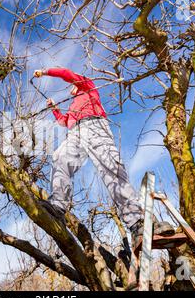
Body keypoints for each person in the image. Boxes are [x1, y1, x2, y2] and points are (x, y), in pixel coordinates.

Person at [33, 67, 174, 248]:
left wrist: (45, 72)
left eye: (73, 86)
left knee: (111, 169)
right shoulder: (73, 105)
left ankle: (137, 223)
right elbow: (64, 122)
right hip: (75, 132)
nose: (71, 89)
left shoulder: (87, 86)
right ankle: (58, 206)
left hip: (94, 126)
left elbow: (67, 73)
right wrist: (54, 109)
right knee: (60, 157)